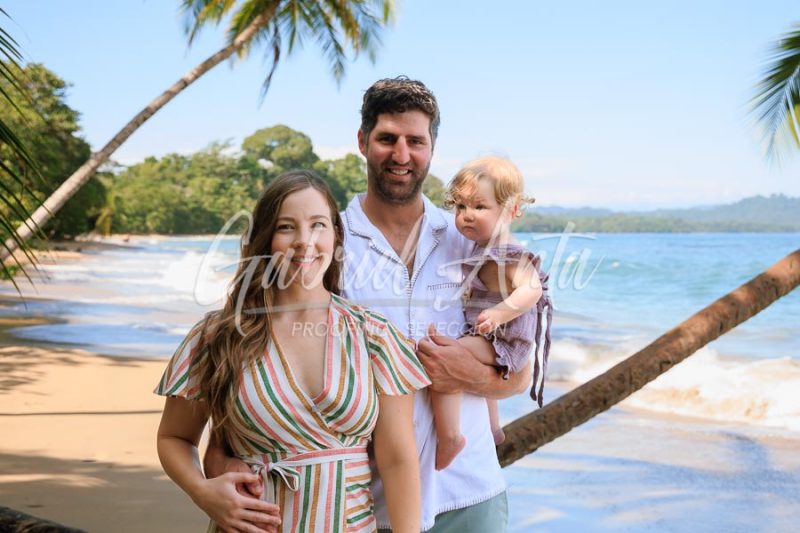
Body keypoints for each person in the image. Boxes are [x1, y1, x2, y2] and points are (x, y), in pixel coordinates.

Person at [207, 77, 532, 532]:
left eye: (415, 141)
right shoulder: (324, 243)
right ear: (362, 141)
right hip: (361, 503)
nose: (401, 155)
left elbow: (520, 371)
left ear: (432, 148)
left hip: (469, 492)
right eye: (387, 139)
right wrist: (221, 456)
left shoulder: (471, 240)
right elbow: (262, 350)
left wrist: (466, 374)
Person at [156, 170, 428, 533]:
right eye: (286, 227)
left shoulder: (374, 336)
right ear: (265, 238)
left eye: (318, 225)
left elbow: (397, 460)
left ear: (335, 235)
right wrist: (202, 491)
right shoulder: (218, 336)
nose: (304, 241)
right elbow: (175, 438)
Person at [431, 156, 552, 470]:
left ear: (511, 211)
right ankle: (493, 428)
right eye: (460, 207)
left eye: (479, 207)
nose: (467, 215)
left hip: (506, 340)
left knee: (444, 360)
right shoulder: (480, 247)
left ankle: (450, 437)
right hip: (492, 335)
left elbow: (532, 289)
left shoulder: (510, 254)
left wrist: (500, 313)